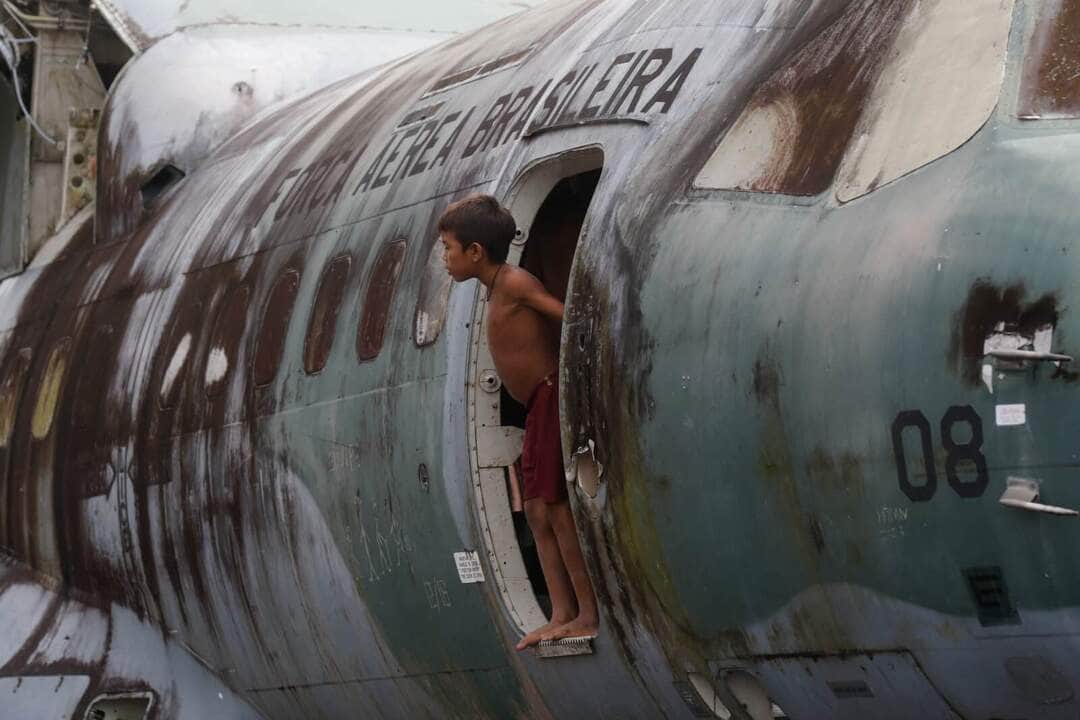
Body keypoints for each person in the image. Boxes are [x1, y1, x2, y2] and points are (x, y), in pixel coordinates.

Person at [439, 194, 598, 650]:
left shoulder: (513, 283)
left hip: (547, 395)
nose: (445, 258)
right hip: (534, 406)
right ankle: (560, 612)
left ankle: (586, 612)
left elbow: (567, 315)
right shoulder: (495, 288)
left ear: (475, 252)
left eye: (448, 248)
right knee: (534, 509)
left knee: (556, 509)